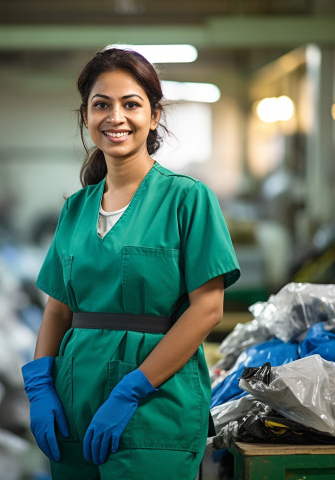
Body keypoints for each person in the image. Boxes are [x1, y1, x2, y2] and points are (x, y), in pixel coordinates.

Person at [22, 47, 240, 480]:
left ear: (154, 115)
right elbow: (58, 309)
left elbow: (208, 309)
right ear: (86, 116)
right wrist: (40, 388)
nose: (115, 117)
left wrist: (133, 387)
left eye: (131, 104)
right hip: (73, 400)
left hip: (155, 400)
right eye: (101, 104)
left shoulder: (187, 199)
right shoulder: (76, 208)